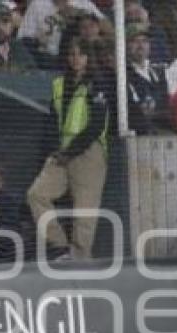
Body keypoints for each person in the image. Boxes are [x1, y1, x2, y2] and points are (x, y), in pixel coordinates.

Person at [26, 37, 111, 260]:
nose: (76, 59)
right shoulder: (59, 84)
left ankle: (80, 262)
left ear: (88, 57)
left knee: (85, 214)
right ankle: (61, 247)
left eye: (80, 54)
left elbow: (96, 125)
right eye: (72, 54)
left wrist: (69, 152)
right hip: (61, 152)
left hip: (88, 152)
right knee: (36, 194)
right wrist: (57, 151)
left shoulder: (98, 83)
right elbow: (52, 121)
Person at [125, 23, 173, 134]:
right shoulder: (124, 75)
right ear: (126, 45)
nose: (140, 45)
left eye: (145, 41)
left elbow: (166, 105)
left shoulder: (158, 72)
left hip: (162, 130)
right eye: (135, 41)